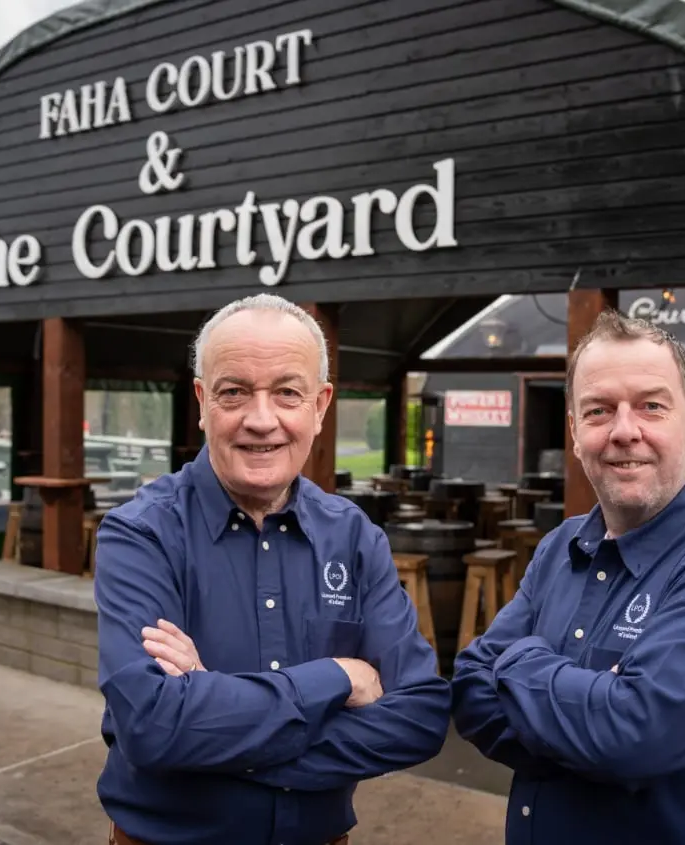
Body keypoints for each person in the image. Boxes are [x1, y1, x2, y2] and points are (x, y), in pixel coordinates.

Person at [93, 293, 450, 845]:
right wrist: (337, 678)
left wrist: (212, 715)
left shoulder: (355, 538)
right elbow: (153, 727)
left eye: (287, 392)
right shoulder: (142, 534)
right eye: (234, 392)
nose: (262, 421)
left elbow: (421, 716)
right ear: (202, 401)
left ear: (320, 405)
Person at [451, 309, 685, 845]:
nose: (623, 431)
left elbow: (635, 736)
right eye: (598, 410)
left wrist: (518, 662)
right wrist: (587, 722)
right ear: (574, 432)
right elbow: (472, 692)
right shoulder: (560, 547)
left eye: (651, 406)